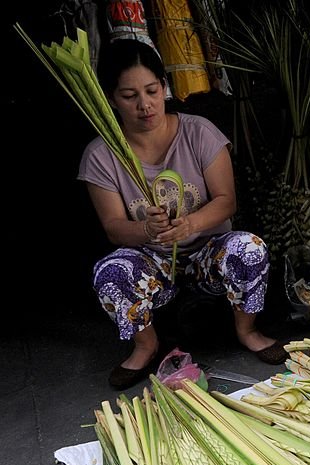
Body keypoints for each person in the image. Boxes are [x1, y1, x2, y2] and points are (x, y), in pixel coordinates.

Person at [79, 38, 287, 390]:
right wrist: (147, 230)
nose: (145, 105)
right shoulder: (101, 156)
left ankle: (247, 330)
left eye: (152, 90)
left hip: (208, 251)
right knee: (110, 271)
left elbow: (226, 201)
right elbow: (114, 228)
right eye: (130, 96)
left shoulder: (198, 132)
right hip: (152, 262)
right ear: (112, 99)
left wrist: (189, 224)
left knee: (249, 248)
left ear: (164, 87)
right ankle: (145, 346)